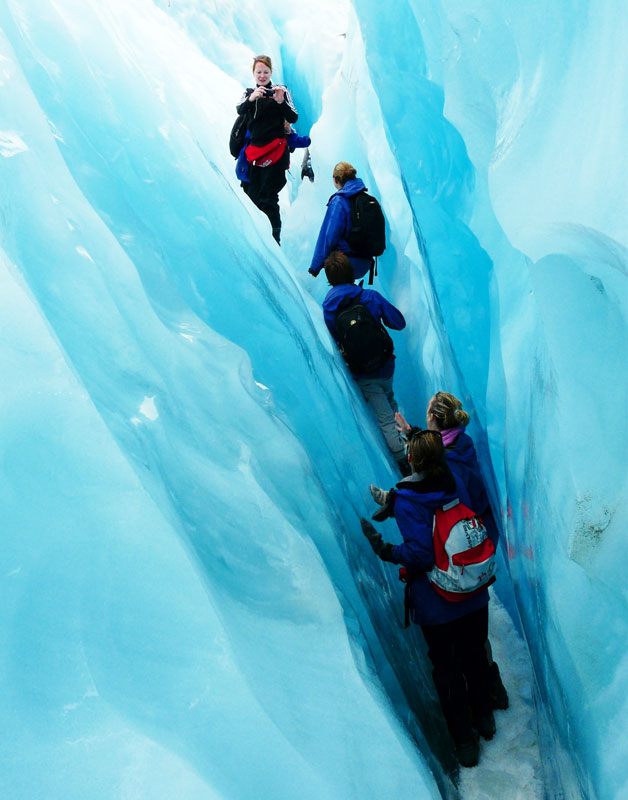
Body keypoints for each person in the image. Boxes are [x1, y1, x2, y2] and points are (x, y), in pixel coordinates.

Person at [360, 430, 496, 768]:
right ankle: (485, 720)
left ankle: (465, 743)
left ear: (412, 459)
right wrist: (394, 500)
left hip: (439, 606)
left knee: (448, 673)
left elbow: (420, 555)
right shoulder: (454, 482)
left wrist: (387, 551)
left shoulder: (408, 501)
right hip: (474, 594)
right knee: (476, 658)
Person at [370, 392, 509, 710]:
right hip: (477, 542)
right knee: (474, 638)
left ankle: (489, 689)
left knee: (466, 646)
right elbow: (437, 448)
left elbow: (445, 525)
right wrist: (412, 433)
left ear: (434, 419)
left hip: (458, 555)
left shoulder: (448, 471)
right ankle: (489, 691)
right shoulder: (460, 444)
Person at [322, 251, 409, 474]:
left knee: (384, 418)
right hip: (386, 364)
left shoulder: (329, 309)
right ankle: (406, 454)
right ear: (351, 272)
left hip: (362, 373)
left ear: (330, 278)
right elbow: (398, 322)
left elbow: (334, 340)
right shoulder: (369, 297)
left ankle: (402, 459)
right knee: (390, 403)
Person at [236, 55, 298, 244]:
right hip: (255, 152)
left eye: (266, 72)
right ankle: (255, 238)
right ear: (253, 74)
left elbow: (293, 117)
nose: (262, 76)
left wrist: (280, 101)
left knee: (269, 196)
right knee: (252, 194)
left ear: (271, 72)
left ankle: (273, 238)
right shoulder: (248, 93)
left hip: (276, 152)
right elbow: (239, 109)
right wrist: (252, 99)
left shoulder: (282, 91)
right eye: (259, 72)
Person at [308, 162, 376, 281]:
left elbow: (328, 237)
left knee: (333, 259)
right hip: (366, 263)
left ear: (335, 180)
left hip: (344, 264)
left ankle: (344, 295)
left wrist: (315, 267)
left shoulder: (339, 201)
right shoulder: (366, 200)